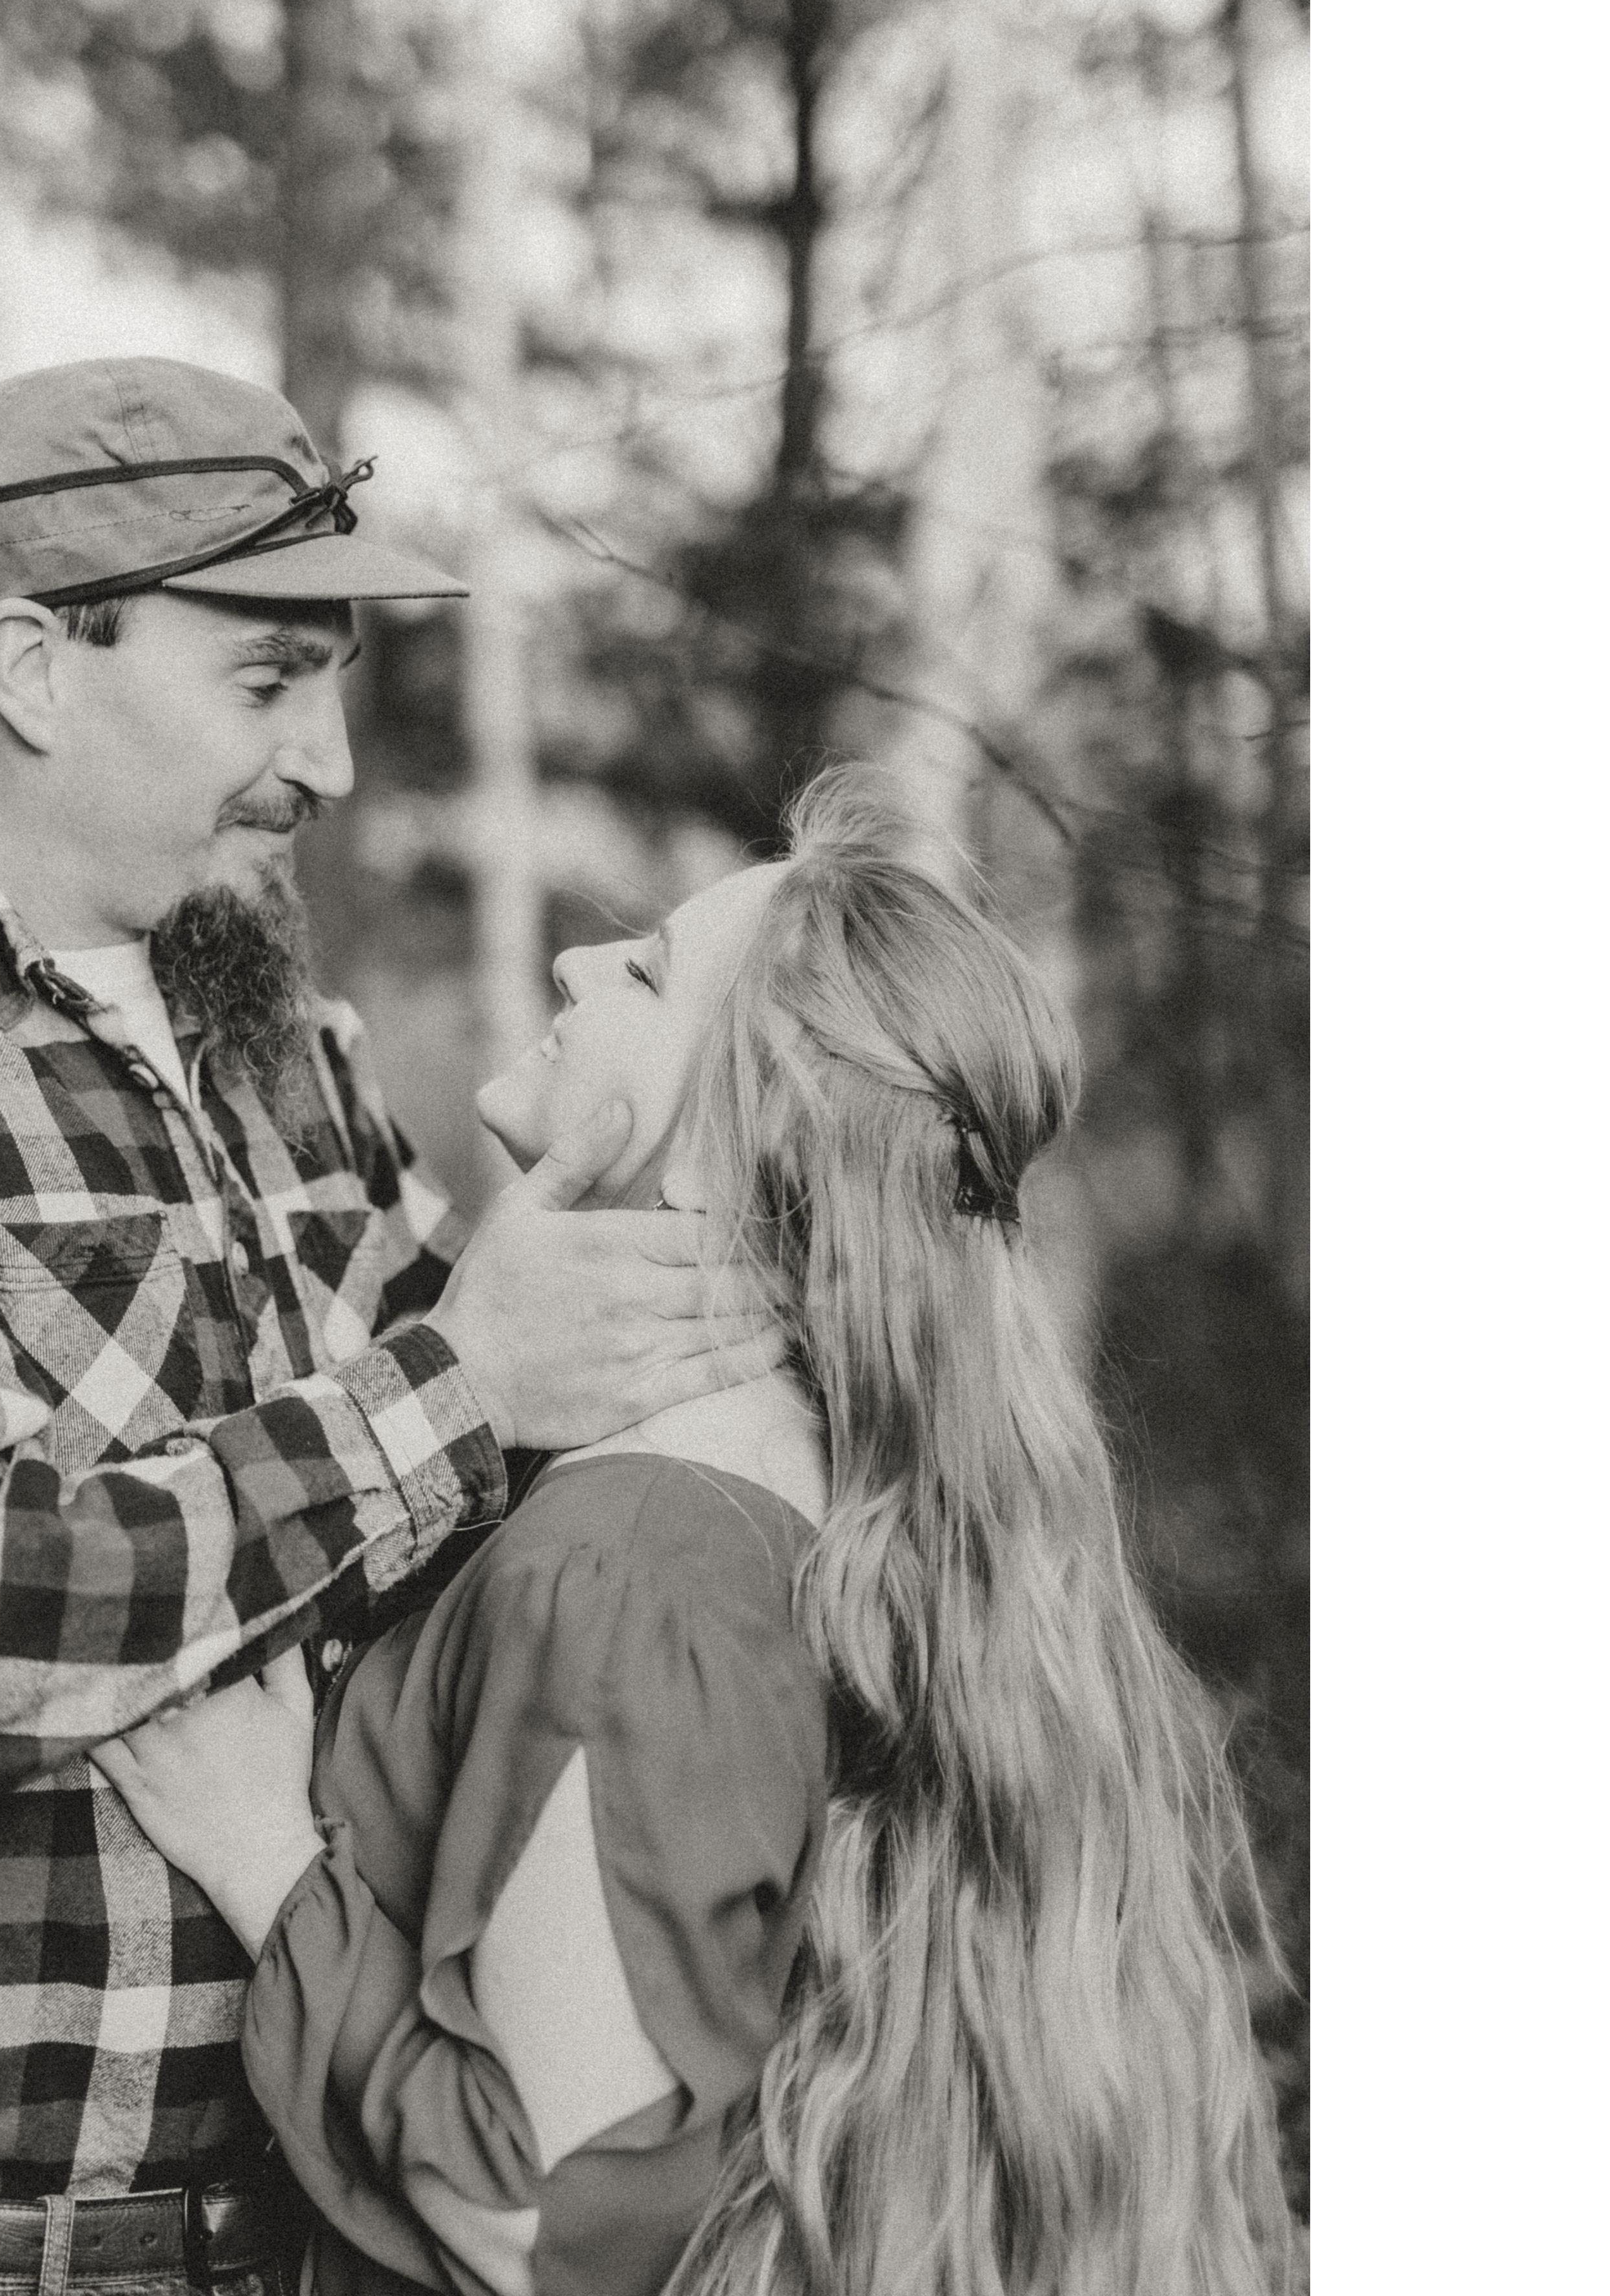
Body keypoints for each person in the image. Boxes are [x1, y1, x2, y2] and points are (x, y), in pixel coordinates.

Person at [0, 355, 780, 2296]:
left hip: (333, 2223)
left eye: (337, 683)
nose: (332, 761)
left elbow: (477, 1559)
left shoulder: (290, 1046)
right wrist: (460, 1382)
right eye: (268, 679)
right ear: (36, 669)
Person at [94, 771, 1298, 2296]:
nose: (574, 961)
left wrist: (268, 1863)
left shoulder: (635, 1571)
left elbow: (547, 2227)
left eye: (649, 973)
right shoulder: (781, 1485)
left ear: (732, 1149)